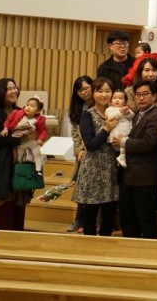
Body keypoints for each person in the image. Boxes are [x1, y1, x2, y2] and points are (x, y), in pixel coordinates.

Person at [113, 79, 157, 239]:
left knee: (146, 220)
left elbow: (147, 144)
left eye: (145, 94)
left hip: (145, 177)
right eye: (138, 95)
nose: (141, 98)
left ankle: (149, 252)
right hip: (128, 175)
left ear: (154, 96)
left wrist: (123, 142)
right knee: (128, 220)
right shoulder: (136, 114)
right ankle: (129, 251)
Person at [71, 77, 120, 236]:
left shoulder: (116, 112)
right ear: (93, 93)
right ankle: (90, 245)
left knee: (109, 213)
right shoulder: (88, 115)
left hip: (111, 168)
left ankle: (105, 245)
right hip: (92, 169)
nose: (104, 95)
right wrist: (106, 129)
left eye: (107, 91)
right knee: (90, 213)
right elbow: (90, 145)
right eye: (100, 91)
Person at [0, 78, 28, 230]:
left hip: (19, 166)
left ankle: (18, 241)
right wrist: (23, 136)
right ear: (0, 93)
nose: (14, 91)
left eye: (14, 88)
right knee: (5, 211)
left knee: (19, 207)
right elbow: (4, 139)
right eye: (9, 89)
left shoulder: (21, 111)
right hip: (3, 168)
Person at [66, 75, 93, 233]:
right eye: (80, 90)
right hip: (83, 153)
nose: (83, 92)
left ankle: (93, 221)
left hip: (97, 151)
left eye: (86, 88)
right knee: (81, 187)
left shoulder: (100, 105)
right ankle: (79, 220)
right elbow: (75, 135)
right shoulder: (77, 110)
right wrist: (79, 150)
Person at [1, 96, 47, 176]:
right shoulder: (16, 113)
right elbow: (8, 121)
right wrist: (5, 129)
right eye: (27, 105)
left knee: (37, 153)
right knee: (19, 157)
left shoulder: (38, 120)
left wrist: (41, 139)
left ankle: (38, 170)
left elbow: (43, 130)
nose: (28, 107)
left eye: (32, 106)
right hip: (20, 142)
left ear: (38, 111)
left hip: (31, 142)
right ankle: (19, 169)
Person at [106, 90, 133, 167]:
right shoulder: (110, 109)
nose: (117, 100)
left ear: (125, 102)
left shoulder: (126, 109)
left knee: (124, 144)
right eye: (114, 98)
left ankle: (121, 157)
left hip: (126, 131)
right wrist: (120, 112)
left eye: (120, 98)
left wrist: (128, 113)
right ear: (111, 101)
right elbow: (110, 117)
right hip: (117, 131)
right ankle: (121, 157)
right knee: (121, 144)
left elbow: (132, 116)